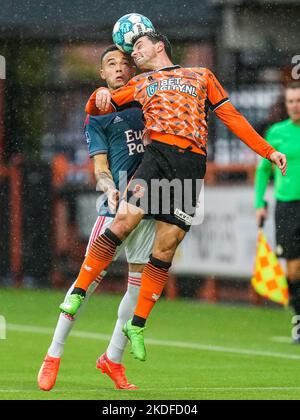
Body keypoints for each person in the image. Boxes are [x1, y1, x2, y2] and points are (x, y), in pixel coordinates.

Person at [60, 32, 287, 362]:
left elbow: (232, 116)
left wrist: (268, 151)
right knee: (123, 221)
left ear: (159, 46)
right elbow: (96, 107)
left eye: (139, 47)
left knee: (165, 248)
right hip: (157, 158)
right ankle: (78, 292)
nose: (134, 54)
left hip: (191, 164)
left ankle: (137, 325)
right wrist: (98, 96)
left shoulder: (200, 76)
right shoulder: (140, 85)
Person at [38, 45, 155, 391]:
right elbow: (100, 168)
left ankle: (112, 360)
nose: (119, 68)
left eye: (124, 63)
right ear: (102, 74)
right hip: (115, 210)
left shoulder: (148, 101)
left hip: (151, 204)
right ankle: (53, 352)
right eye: (110, 64)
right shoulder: (98, 115)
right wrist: (108, 189)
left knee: (137, 291)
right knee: (85, 285)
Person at [255, 82, 300, 339]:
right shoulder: (276, 133)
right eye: (291, 101)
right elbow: (263, 171)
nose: (295, 105)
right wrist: (259, 204)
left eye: (298, 100)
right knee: (293, 270)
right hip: (287, 207)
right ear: (286, 105)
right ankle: (298, 315)